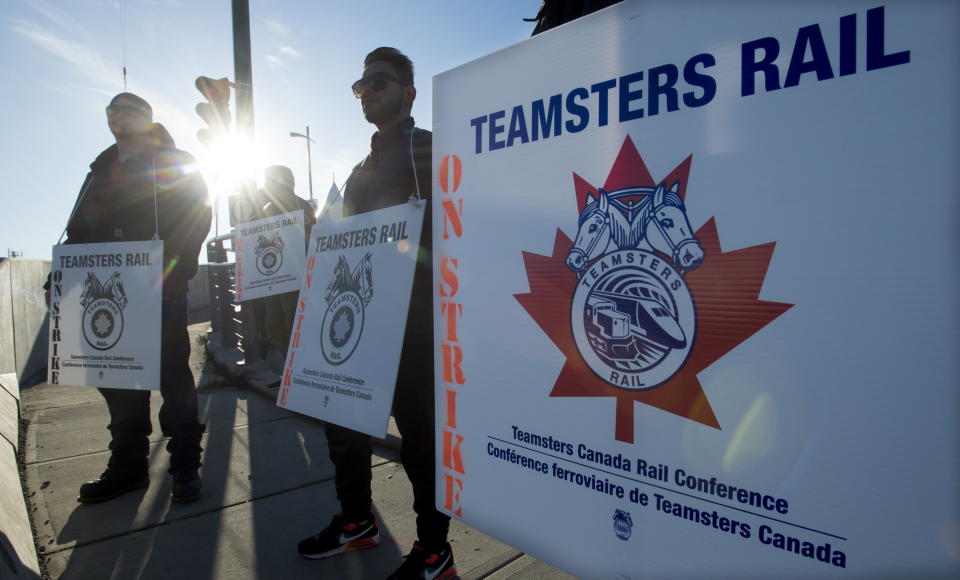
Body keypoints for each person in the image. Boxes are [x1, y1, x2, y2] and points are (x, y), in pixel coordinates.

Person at [296, 47, 454, 580]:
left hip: (413, 324)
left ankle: (434, 551)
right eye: (361, 86)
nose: (369, 92)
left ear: (409, 92)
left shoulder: (429, 149)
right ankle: (357, 521)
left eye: (380, 82)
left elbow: (459, 224)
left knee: (420, 440)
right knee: (343, 427)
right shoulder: (363, 166)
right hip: (356, 326)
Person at [48, 92, 212, 503]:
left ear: (147, 118)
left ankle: (185, 465)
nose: (116, 116)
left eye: (127, 110)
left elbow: (197, 214)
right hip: (106, 288)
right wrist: (63, 275)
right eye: (111, 110)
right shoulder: (100, 168)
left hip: (158, 286)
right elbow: (80, 229)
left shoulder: (173, 161)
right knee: (116, 375)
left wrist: (176, 270)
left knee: (173, 375)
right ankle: (128, 466)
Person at [259, 165, 316, 370]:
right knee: (274, 323)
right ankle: (288, 369)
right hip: (273, 276)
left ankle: (301, 370)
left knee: (295, 323)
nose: (266, 184)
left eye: (269, 180)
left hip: (297, 275)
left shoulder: (302, 205)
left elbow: (312, 237)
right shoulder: (265, 207)